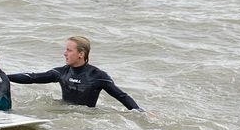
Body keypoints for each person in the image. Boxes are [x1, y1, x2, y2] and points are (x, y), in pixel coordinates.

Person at [8, 35, 144, 111]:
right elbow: (32, 77)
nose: (64, 53)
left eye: (69, 50)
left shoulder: (98, 76)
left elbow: (122, 96)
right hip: (63, 114)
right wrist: (4, 76)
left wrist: (140, 112)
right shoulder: (61, 72)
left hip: (84, 120)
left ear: (81, 54)